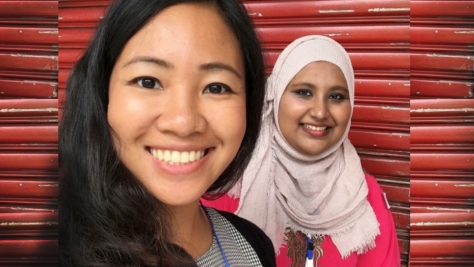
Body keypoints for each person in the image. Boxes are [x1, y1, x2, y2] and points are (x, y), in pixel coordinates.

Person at [58, 0, 276, 266]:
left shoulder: (254, 246)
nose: (183, 122)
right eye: (148, 82)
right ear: (102, 96)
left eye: (216, 87)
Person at [203, 35, 401, 267]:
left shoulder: (364, 198)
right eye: (304, 92)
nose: (319, 112)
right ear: (274, 97)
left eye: (336, 96)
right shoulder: (228, 185)